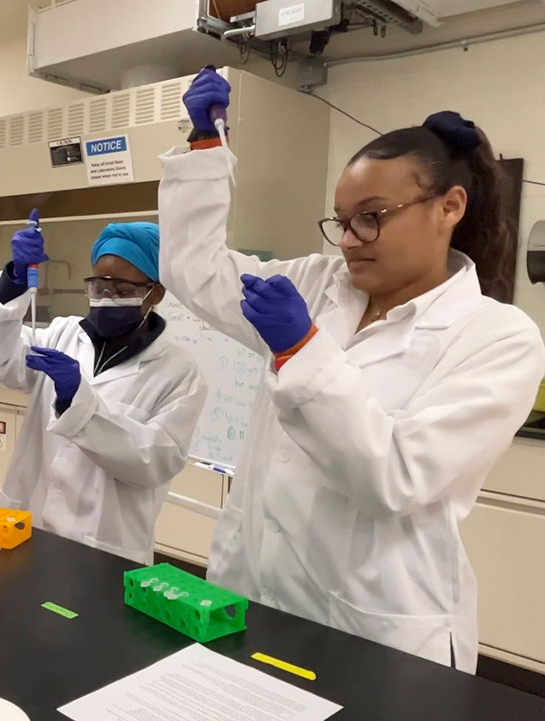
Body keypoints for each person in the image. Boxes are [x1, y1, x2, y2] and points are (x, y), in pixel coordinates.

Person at [159, 67, 545, 671]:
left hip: (375, 628)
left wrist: (301, 351)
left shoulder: (499, 338)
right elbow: (196, 271)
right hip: (255, 592)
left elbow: (395, 477)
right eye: (342, 220)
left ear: (450, 206)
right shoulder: (315, 285)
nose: (349, 240)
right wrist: (206, 152)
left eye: (373, 215)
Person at [0, 212, 207, 564]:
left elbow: (155, 460)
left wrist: (78, 403)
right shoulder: (61, 337)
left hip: (104, 547)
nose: (107, 297)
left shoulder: (179, 372)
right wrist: (15, 279)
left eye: (123, 290)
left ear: (155, 293)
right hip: (27, 525)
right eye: (99, 286)